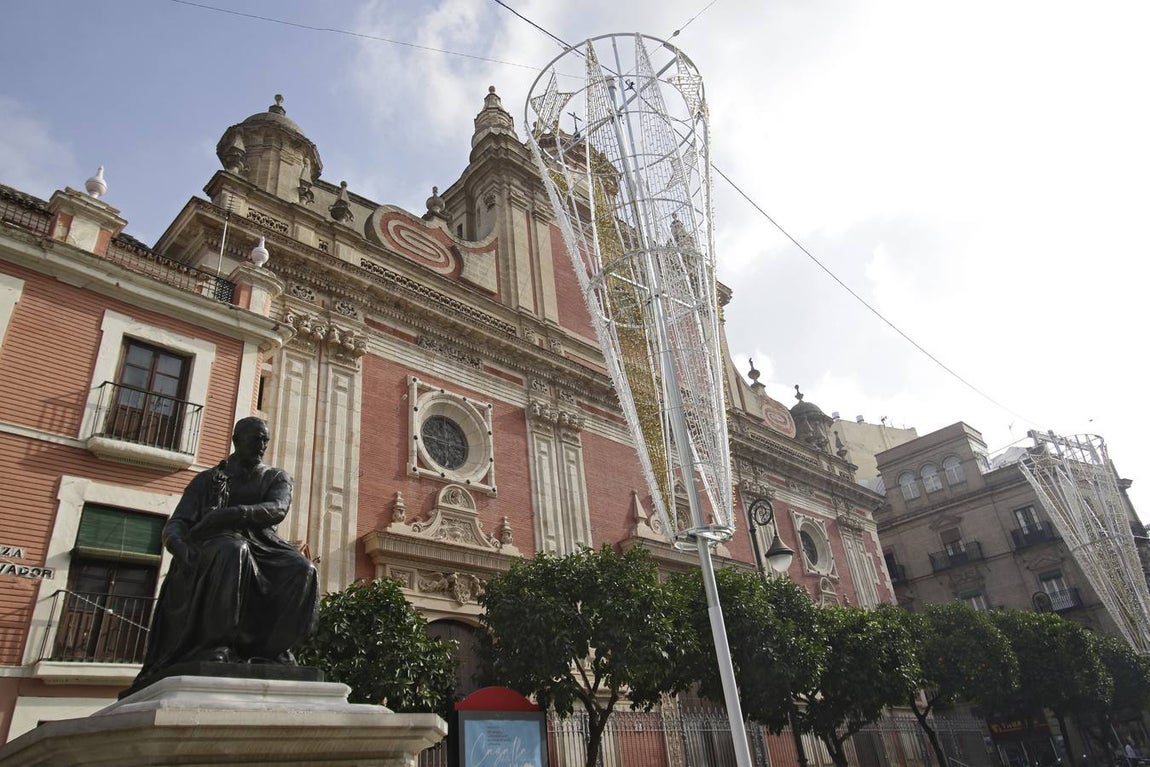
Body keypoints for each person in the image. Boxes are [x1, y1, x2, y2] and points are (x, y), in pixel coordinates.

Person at [131, 417, 319, 690]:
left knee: (304, 569)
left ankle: (274, 649)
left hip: (264, 544)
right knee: (235, 550)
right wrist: (180, 548)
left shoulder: (275, 477)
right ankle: (215, 644)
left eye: (265, 439)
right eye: (256, 439)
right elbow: (177, 523)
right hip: (214, 546)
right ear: (237, 440)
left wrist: (231, 514)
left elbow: (277, 509)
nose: (262, 445)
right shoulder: (207, 479)